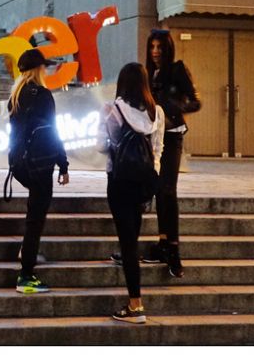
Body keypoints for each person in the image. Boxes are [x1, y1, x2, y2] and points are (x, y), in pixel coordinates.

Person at [97, 62, 165, 324]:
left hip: (119, 180)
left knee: (127, 243)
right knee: (132, 236)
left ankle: (135, 305)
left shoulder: (112, 110)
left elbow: (101, 145)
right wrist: (151, 175)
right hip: (145, 182)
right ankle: (134, 297)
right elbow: (158, 149)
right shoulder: (156, 112)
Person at [7, 48, 69, 294]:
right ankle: (26, 275)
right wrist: (63, 164)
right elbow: (53, 132)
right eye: (44, 67)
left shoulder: (16, 96)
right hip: (40, 163)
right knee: (36, 218)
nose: (46, 70)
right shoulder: (43, 95)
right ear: (38, 70)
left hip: (19, 163)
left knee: (34, 210)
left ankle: (27, 251)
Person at [145, 29, 200, 278]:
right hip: (153, 137)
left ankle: (174, 250)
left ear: (167, 49)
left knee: (168, 189)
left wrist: (174, 109)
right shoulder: (148, 73)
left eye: (159, 47)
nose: (155, 51)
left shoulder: (177, 69)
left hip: (173, 134)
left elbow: (195, 101)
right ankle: (162, 243)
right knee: (158, 189)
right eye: (152, 47)